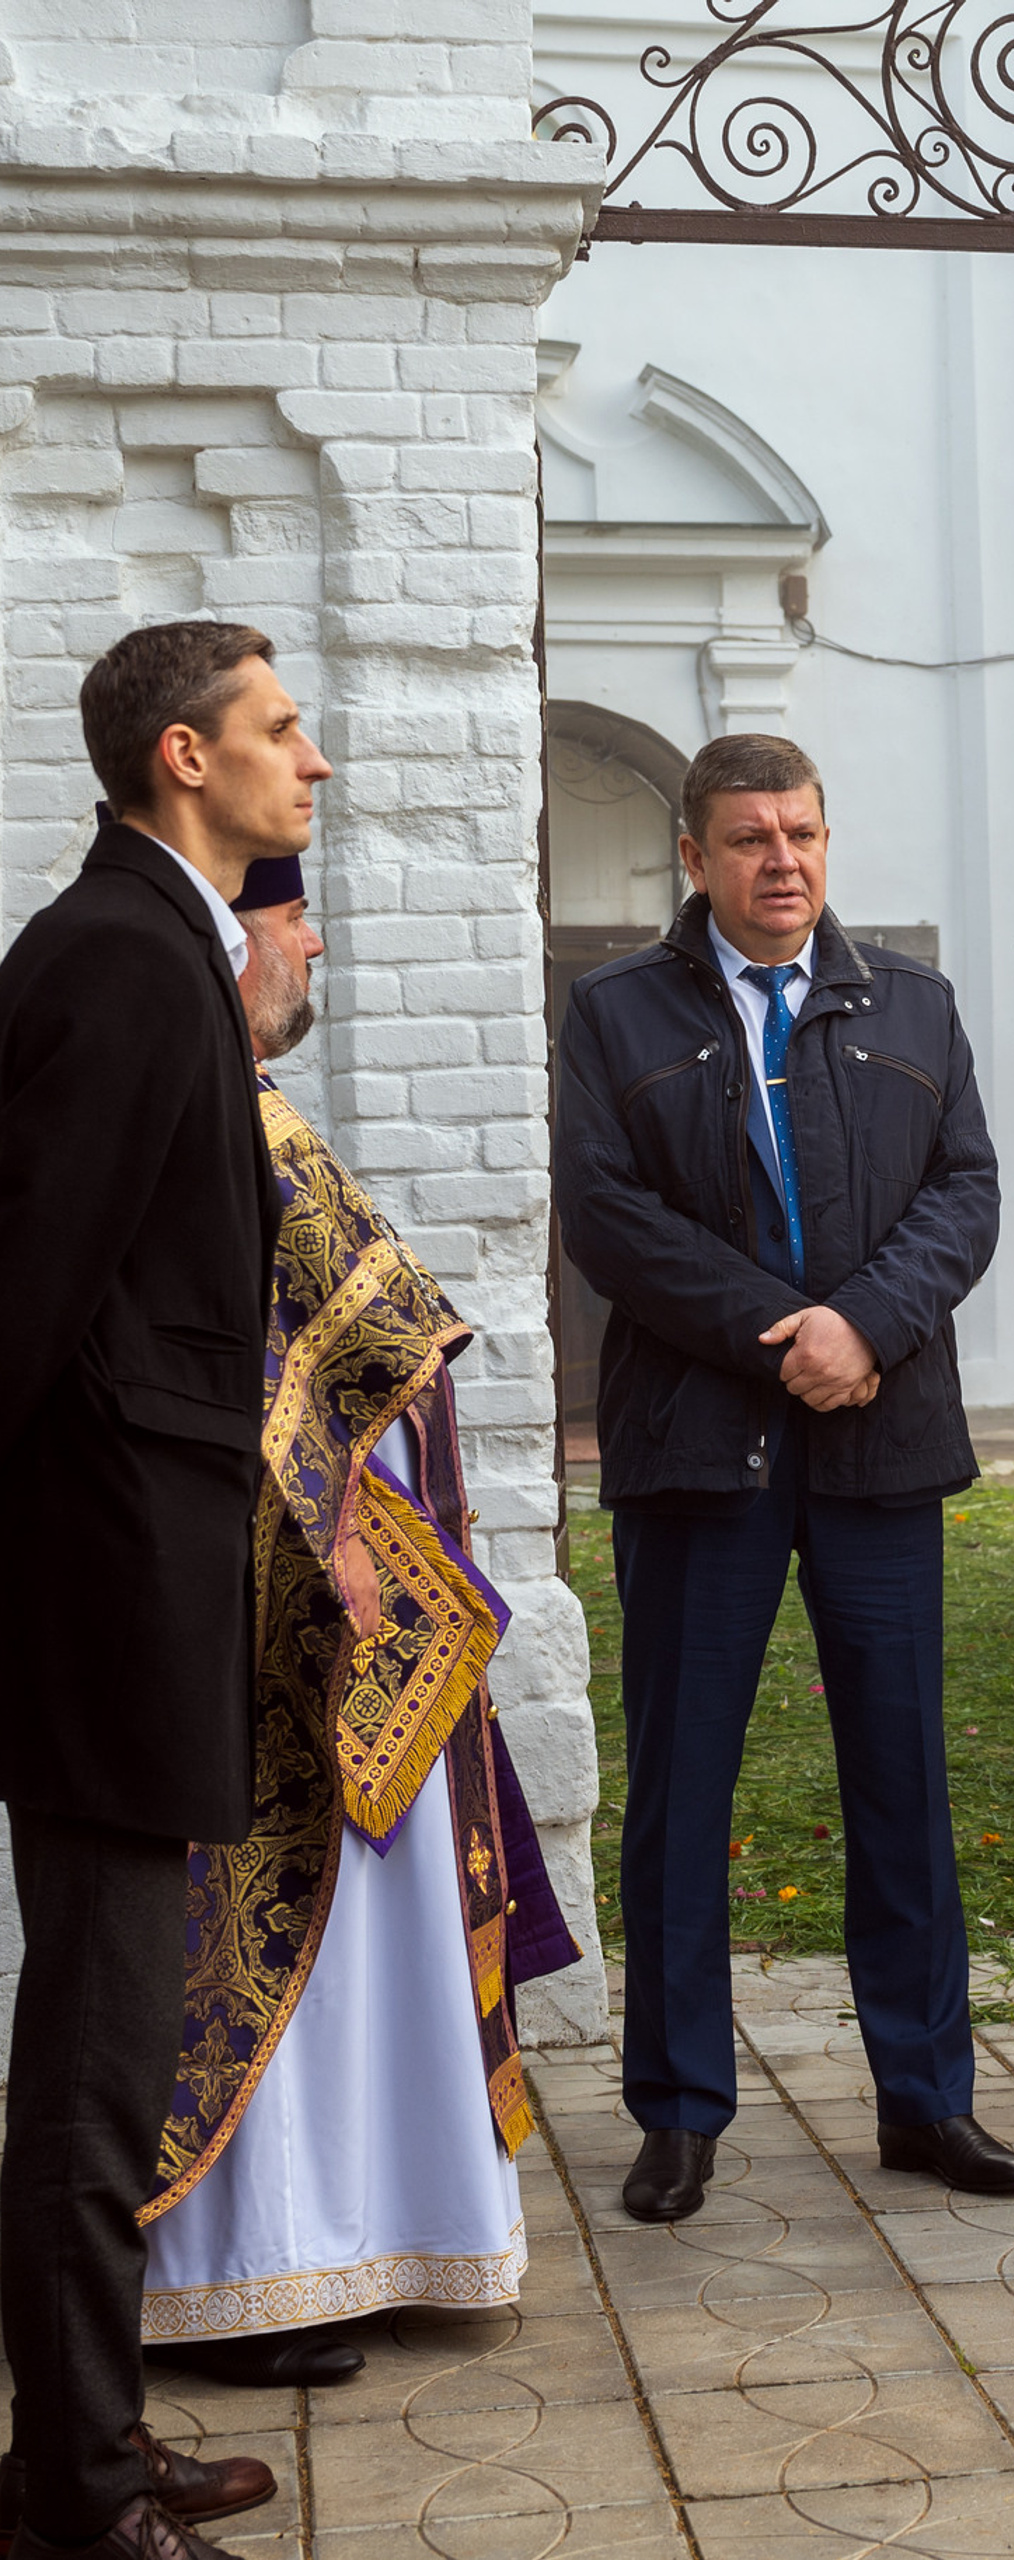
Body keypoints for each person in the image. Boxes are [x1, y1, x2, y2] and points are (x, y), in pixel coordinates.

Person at [555, 731, 1014, 2222]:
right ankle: (680, 2110)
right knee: (683, 1788)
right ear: (693, 857)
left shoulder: (915, 1006)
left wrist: (867, 1326)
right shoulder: (615, 1014)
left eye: (803, 833)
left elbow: (967, 1191)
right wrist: (790, 1341)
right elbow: (609, 1221)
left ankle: (927, 2102)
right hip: (702, 1455)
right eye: (750, 837)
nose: (783, 862)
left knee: (902, 1783)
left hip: (880, 1448)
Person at [132, 860, 581, 2391]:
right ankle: (257, 2273)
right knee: (272, 1935)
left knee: (367, 1941)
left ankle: (376, 2235)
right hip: (279, 1604)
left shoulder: (252, 1102)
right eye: (289, 917)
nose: (314, 939)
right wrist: (319, 1526)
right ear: (224, 938)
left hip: (372, 1603)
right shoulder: (198, 1114)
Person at [0, 623, 305, 2560]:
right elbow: (27, 1283)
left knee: (106, 2039)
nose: (315, 763)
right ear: (183, 757)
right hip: (99, 1571)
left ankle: (82, 2443)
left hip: (130, 1551)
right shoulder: (118, 955)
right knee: (99, 2050)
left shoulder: (160, 947)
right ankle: (77, 2491)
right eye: (284, 731)